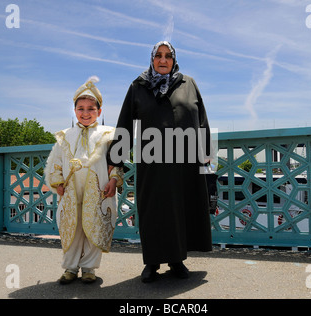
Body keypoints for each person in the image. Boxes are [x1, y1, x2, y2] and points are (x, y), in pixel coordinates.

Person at [109, 41, 213, 283]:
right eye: (158, 55)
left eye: (168, 56)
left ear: (174, 60)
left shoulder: (189, 83)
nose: (163, 60)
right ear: (152, 59)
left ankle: (177, 260)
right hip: (152, 162)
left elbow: (203, 123)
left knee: (182, 210)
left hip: (186, 162)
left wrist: (208, 160)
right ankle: (152, 263)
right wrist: (116, 162)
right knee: (154, 212)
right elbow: (124, 124)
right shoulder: (138, 86)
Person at [45, 76, 123, 284]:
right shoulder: (65, 136)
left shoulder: (109, 133)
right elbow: (57, 162)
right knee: (72, 227)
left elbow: (115, 162)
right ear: (74, 110)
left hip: (98, 188)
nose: (85, 113)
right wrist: (58, 182)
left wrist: (113, 180)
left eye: (91, 108)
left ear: (99, 111)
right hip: (71, 189)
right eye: (81, 108)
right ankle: (70, 268)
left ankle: (89, 268)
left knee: (94, 225)